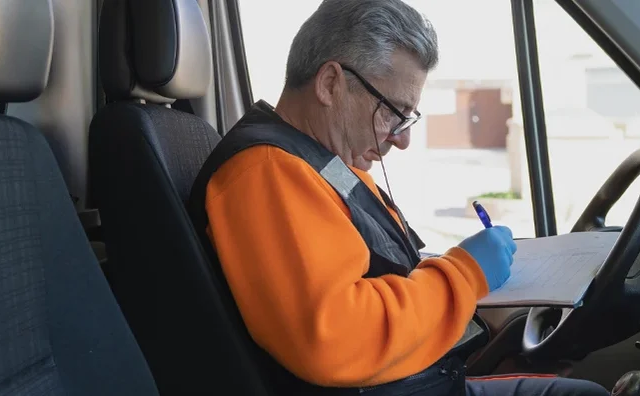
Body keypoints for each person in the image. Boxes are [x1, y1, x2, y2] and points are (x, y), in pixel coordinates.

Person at [191, 0, 618, 395]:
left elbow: (377, 269)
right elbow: (337, 335)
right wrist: (464, 275)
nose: (403, 139)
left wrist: (460, 268)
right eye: (392, 113)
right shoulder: (266, 172)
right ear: (329, 83)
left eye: (408, 117)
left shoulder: (323, 165)